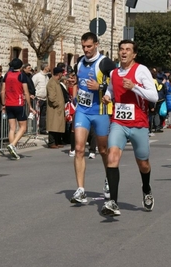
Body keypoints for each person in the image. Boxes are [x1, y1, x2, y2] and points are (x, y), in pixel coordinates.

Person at [100, 39, 158, 216]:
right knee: (112, 157)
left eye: (128, 50)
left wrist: (134, 87)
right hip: (118, 122)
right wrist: (108, 96)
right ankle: (113, 202)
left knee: (143, 163)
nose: (124, 52)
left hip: (139, 124)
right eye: (121, 49)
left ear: (134, 54)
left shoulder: (141, 70)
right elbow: (111, 88)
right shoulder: (115, 73)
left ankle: (146, 188)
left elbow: (154, 96)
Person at [69, 32, 116, 204]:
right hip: (82, 110)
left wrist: (100, 86)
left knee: (103, 150)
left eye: (89, 46)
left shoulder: (105, 62)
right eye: (83, 47)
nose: (86, 50)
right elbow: (76, 81)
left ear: (96, 44)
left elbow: (118, 80)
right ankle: (80, 190)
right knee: (80, 148)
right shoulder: (79, 62)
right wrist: (75, 96)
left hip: (100, 111)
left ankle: (109, 180)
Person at [1, 58, 36, 160]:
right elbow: (26, 92)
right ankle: (13, 145)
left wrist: (3, 103)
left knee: (12, 128)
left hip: (8, 103)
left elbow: (2, 91)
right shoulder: (21, 76)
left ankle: (13, 148)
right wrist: (30, 106)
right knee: (23, 127)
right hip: (18, 103)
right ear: (20, 67)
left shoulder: (7, 75)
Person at [46, 67, 66, 148]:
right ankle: (52, 142)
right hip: (54, 108)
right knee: (53, 126)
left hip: (58, 109)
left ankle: (57, 141)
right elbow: (52, 97)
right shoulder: (51, 83)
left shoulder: (57, 82)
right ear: (59, 74)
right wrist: (57, 104)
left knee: (58, 126)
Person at [32, 63, 50, 134]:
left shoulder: (47, 77)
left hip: (45, 98)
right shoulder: (37, 76)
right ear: (45, 67)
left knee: (43, 115)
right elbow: (32, 86)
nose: (49, 68)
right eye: (48, 66)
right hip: (38, 98)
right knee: (37, 115)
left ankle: (42, 129)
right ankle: (35, 129)